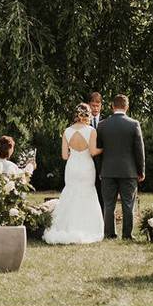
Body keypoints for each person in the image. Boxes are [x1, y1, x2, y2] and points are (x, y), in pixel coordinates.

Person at [44, 103, 105, 244]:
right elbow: (92, 151)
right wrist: (103, 149)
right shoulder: (91, 131)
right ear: (87, 114)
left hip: (72, 166)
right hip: (86, 166)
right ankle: (87, 227)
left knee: (71, 192)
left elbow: (65, 156)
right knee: (87, 193)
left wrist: (74, 153)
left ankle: (66, 227)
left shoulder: (67, 131)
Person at [95, 94, 145, 240]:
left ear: (112, 106)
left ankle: (109, 233)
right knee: (128, 204)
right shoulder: (134, 124)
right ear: (126, 106)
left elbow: (98, 150)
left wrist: (100, 170)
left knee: (108, 204)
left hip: (108, 171)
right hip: (128, 171)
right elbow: (139, 150)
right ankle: (127, 235)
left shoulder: (102, 125)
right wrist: (141, 170)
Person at [87, 91, 104, 208]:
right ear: (89, 105)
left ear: (101, 106)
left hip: (103, 163)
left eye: (98, 106)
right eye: (93, 105)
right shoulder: (83, 121)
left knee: (101, 194)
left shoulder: (107, 120)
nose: (95, 108)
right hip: (87, 161)